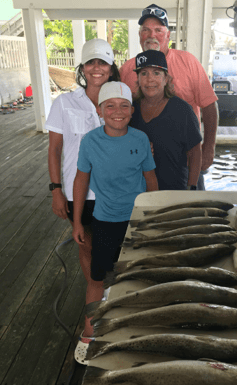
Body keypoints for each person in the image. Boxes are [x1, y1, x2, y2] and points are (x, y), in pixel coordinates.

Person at [45, 38, 120, 363]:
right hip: (79, 195)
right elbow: (55, 149)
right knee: (88, 254)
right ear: (82, 68)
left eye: (102, 63)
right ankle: (90, 327)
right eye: (91, 63)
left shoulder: (119, 102)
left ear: (111, 68)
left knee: (118, 254)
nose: (96, 69)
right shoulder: (65, 103)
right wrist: (55, 189)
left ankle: (115, 308)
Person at [72, 82, 158, 361]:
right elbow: (81, 180)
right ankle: (90, 331)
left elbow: (150, 179)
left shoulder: (140, 140)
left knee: (140, 274)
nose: (117, 112)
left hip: (137, 219)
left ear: (132, 111)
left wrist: (153, 216)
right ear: (100, 110)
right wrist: (77, 222)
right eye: (110, 105)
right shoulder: (90, 141)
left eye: (124, 106)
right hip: (106, 220)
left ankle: (137, 326)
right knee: (98, 278)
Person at [120, 4, 219, 189]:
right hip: (141, 164)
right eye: (146, 30)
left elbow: (209, 105)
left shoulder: (188, 61)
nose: (152, 35)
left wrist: (209, 146)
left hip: (187, 160)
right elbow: (117, 114)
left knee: (191, 209)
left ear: (168, 35)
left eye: (159, 30)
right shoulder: (127, 69)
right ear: (139, 35)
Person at [130, 49, 202, 190]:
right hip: (137, 192)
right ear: (138, 79)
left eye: (156, 73)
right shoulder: (131, 109)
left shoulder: (182, 110)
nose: (150, 79)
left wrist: (192, 187)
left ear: (166, 79)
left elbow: (195, 152)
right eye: (144, 73)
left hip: (174, 192)